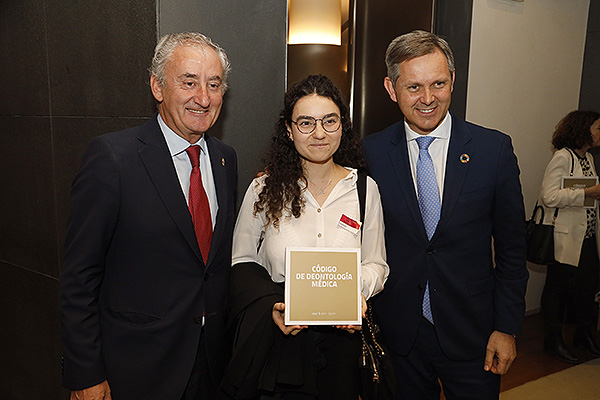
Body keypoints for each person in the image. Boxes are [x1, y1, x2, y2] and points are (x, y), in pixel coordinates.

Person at [59, 32, 237, 399]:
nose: (203, 98)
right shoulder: (112, 158)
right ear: (157, 86)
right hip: (137, 369)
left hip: (212, 365)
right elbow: (79, 276)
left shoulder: (225, 159)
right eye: (189, 82)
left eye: (214, 84)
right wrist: (85, 374)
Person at [362, 30, 529, 399]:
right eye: (413, 87)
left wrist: (507, 328)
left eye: (438, 83)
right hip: (399, 334)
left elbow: (513, 249)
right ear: (391, 88)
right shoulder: (368, 154)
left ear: (453, 80)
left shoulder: (493, 150)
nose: (427, 99)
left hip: (475, 335)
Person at [220, 74, 389, 399]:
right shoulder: (263, 190)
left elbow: (376, 263)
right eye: (306, 123)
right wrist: (270, 305)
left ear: (342, 125)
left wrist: (356, 295)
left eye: (329, 121)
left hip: (344, 343)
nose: (319, 133)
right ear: (289, 129)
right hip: (281, 340)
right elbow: (240, 261)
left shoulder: (365, 190)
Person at [538, 110, 600, 363]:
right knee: (557, 289)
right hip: (565, 237)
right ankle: (553, 340)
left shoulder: (590, 158)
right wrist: (588, 193)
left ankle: (583, 336)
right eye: (597, 127)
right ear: (583, 129)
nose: (599, 133)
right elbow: (549, 196)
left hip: (586, 237)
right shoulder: (563, 157)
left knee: (587, 289)